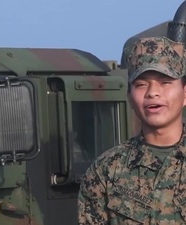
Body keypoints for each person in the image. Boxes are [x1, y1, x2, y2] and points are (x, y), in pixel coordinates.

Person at [78, 36, 186, 224]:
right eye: (141, 84)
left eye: (165, 82)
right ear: (129, 96)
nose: (153, 92)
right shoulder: (105, 172)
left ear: (185, 93)